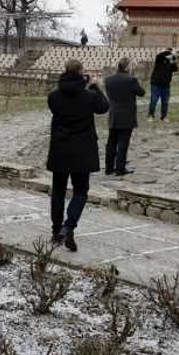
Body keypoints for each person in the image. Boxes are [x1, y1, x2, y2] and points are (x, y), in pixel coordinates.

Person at [46, 59, 109, 252]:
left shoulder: (54, 96)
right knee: (80, 191)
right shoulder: (88, 96)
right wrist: (95, 85)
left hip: (60, 149)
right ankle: (69, 225)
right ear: (81, 72)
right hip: (82, 150)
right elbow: (104, 107)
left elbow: (57, 108)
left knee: (58, 191)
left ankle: (56, 230)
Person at [104, 58, 145, 176]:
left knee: (111, 142)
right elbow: (141, 92)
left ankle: (109, 167)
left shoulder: (108, 79)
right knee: (123, 142)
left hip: (113, 113)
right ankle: (120, 168)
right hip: (126, 115)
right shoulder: (131, 80)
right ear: (127, 67)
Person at [148, 48, 178, 122]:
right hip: (156, 84)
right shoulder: (159, 60)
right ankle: (151, 115)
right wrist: (166, 52)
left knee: (165, 102)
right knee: (154, 100)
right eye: (167, 53)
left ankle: (164, 116)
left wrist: (172, 59)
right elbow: (159, 56)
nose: (168, 54)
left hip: (166, 85)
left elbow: (176, 68)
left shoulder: (170, 62)